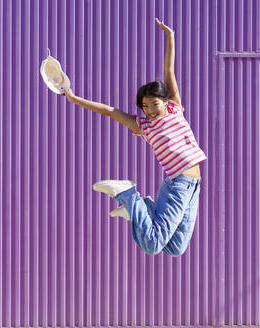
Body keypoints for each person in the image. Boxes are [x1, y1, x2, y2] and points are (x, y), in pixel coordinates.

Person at [62, 18, 207, 257]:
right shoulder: (144, 126)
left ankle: (138, 208)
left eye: (153, 104)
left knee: (175, 249)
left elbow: (169, 71)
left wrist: (170, 37)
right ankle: (129, 194)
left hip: (194, 186)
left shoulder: (174, 108)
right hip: (177, 184)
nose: (149, 110)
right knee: (152, 244)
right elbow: (109, 110)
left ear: (165, 101)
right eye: (144, 106)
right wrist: (75, 98)